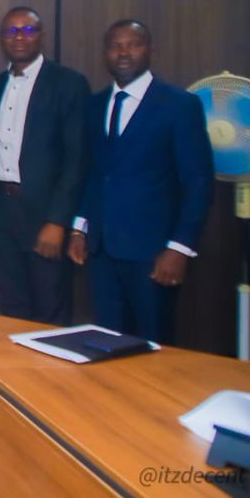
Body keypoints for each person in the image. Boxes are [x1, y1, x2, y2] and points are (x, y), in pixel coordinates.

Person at [69, 20, 213, 342]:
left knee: (153, 343)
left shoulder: (179, 106)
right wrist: (80, 226)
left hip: (154, 253)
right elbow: (95, 173)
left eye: (132, 44)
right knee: (106, 342)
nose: (123, 52)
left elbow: (198, 182)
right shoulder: (95, 105)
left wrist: (179, 248)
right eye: (115, 45)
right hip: (102, 251)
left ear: (150, 50)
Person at [0, 7, 89, 324]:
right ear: (1, 39)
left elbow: (77, 159)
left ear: (41, 36)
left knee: (50, 307)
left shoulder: (68, 84)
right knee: (11, 307)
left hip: (45, 215)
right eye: (11, 31)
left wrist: (58, 221)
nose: (19, 37)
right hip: (4, 212)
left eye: (28, 30)